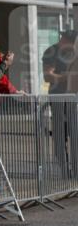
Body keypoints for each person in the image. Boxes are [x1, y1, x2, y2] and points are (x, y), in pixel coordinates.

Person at [43, 29, 77, 178]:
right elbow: (48, 76)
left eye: (65, 38)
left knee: (75, 135)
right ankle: (64, 170)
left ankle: (76, 170)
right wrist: (67, 78)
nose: (62, 39)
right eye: (62, 37)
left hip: (74, 100)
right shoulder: (52, 51)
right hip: (58, 99)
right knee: (59, 135)